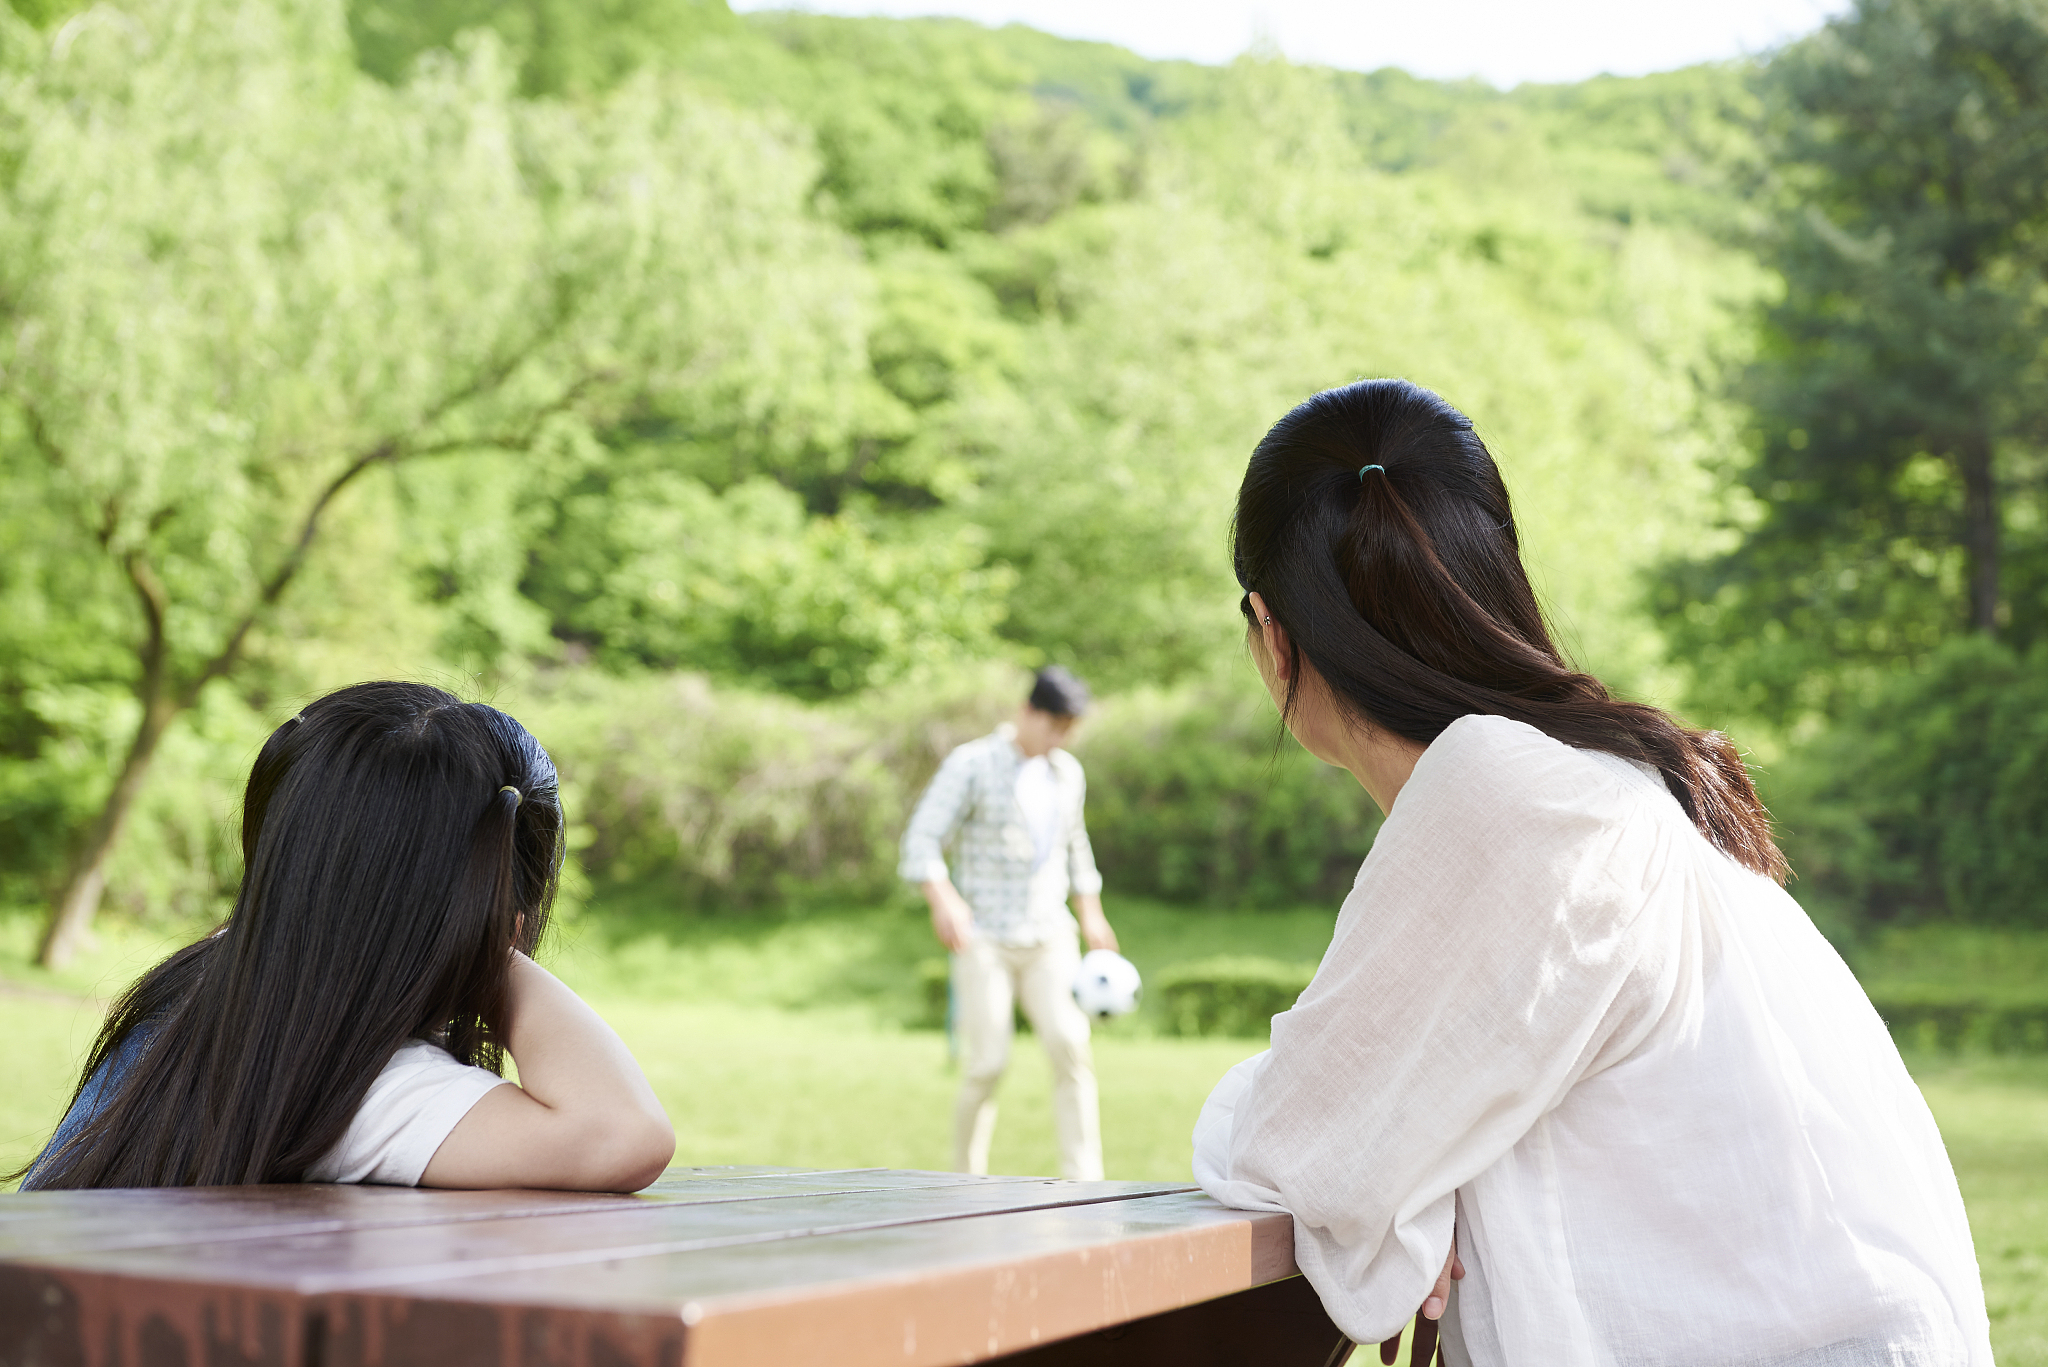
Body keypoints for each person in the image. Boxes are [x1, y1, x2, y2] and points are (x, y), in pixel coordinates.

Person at [1194, 380, 1992, 1365]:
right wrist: (1412, 1166)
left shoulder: (1507, 792)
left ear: (1272, 637)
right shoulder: (1609, 781)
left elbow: (1295, 1151)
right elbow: (1360, 1127)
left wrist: (1403, 1169)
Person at [17, 681, 675, 1192]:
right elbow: (624, 1131)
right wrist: (492, 955)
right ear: (508, 918)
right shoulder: (356, 1087)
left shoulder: (197, 1000)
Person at [899, 666, 1118, 1181]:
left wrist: (1091, 914)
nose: (1061, 738)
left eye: (1070, 729)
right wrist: (943, 897)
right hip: (985, 938)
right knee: (987, 1064)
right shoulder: (971, 764)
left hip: (1049, 935)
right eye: (1054, 725)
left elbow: (1075, 847)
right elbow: (921, 839)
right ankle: (965, 1181)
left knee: (1071, 1047)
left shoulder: (1067, 773)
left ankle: (1086, 1182)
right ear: (1026, 712)